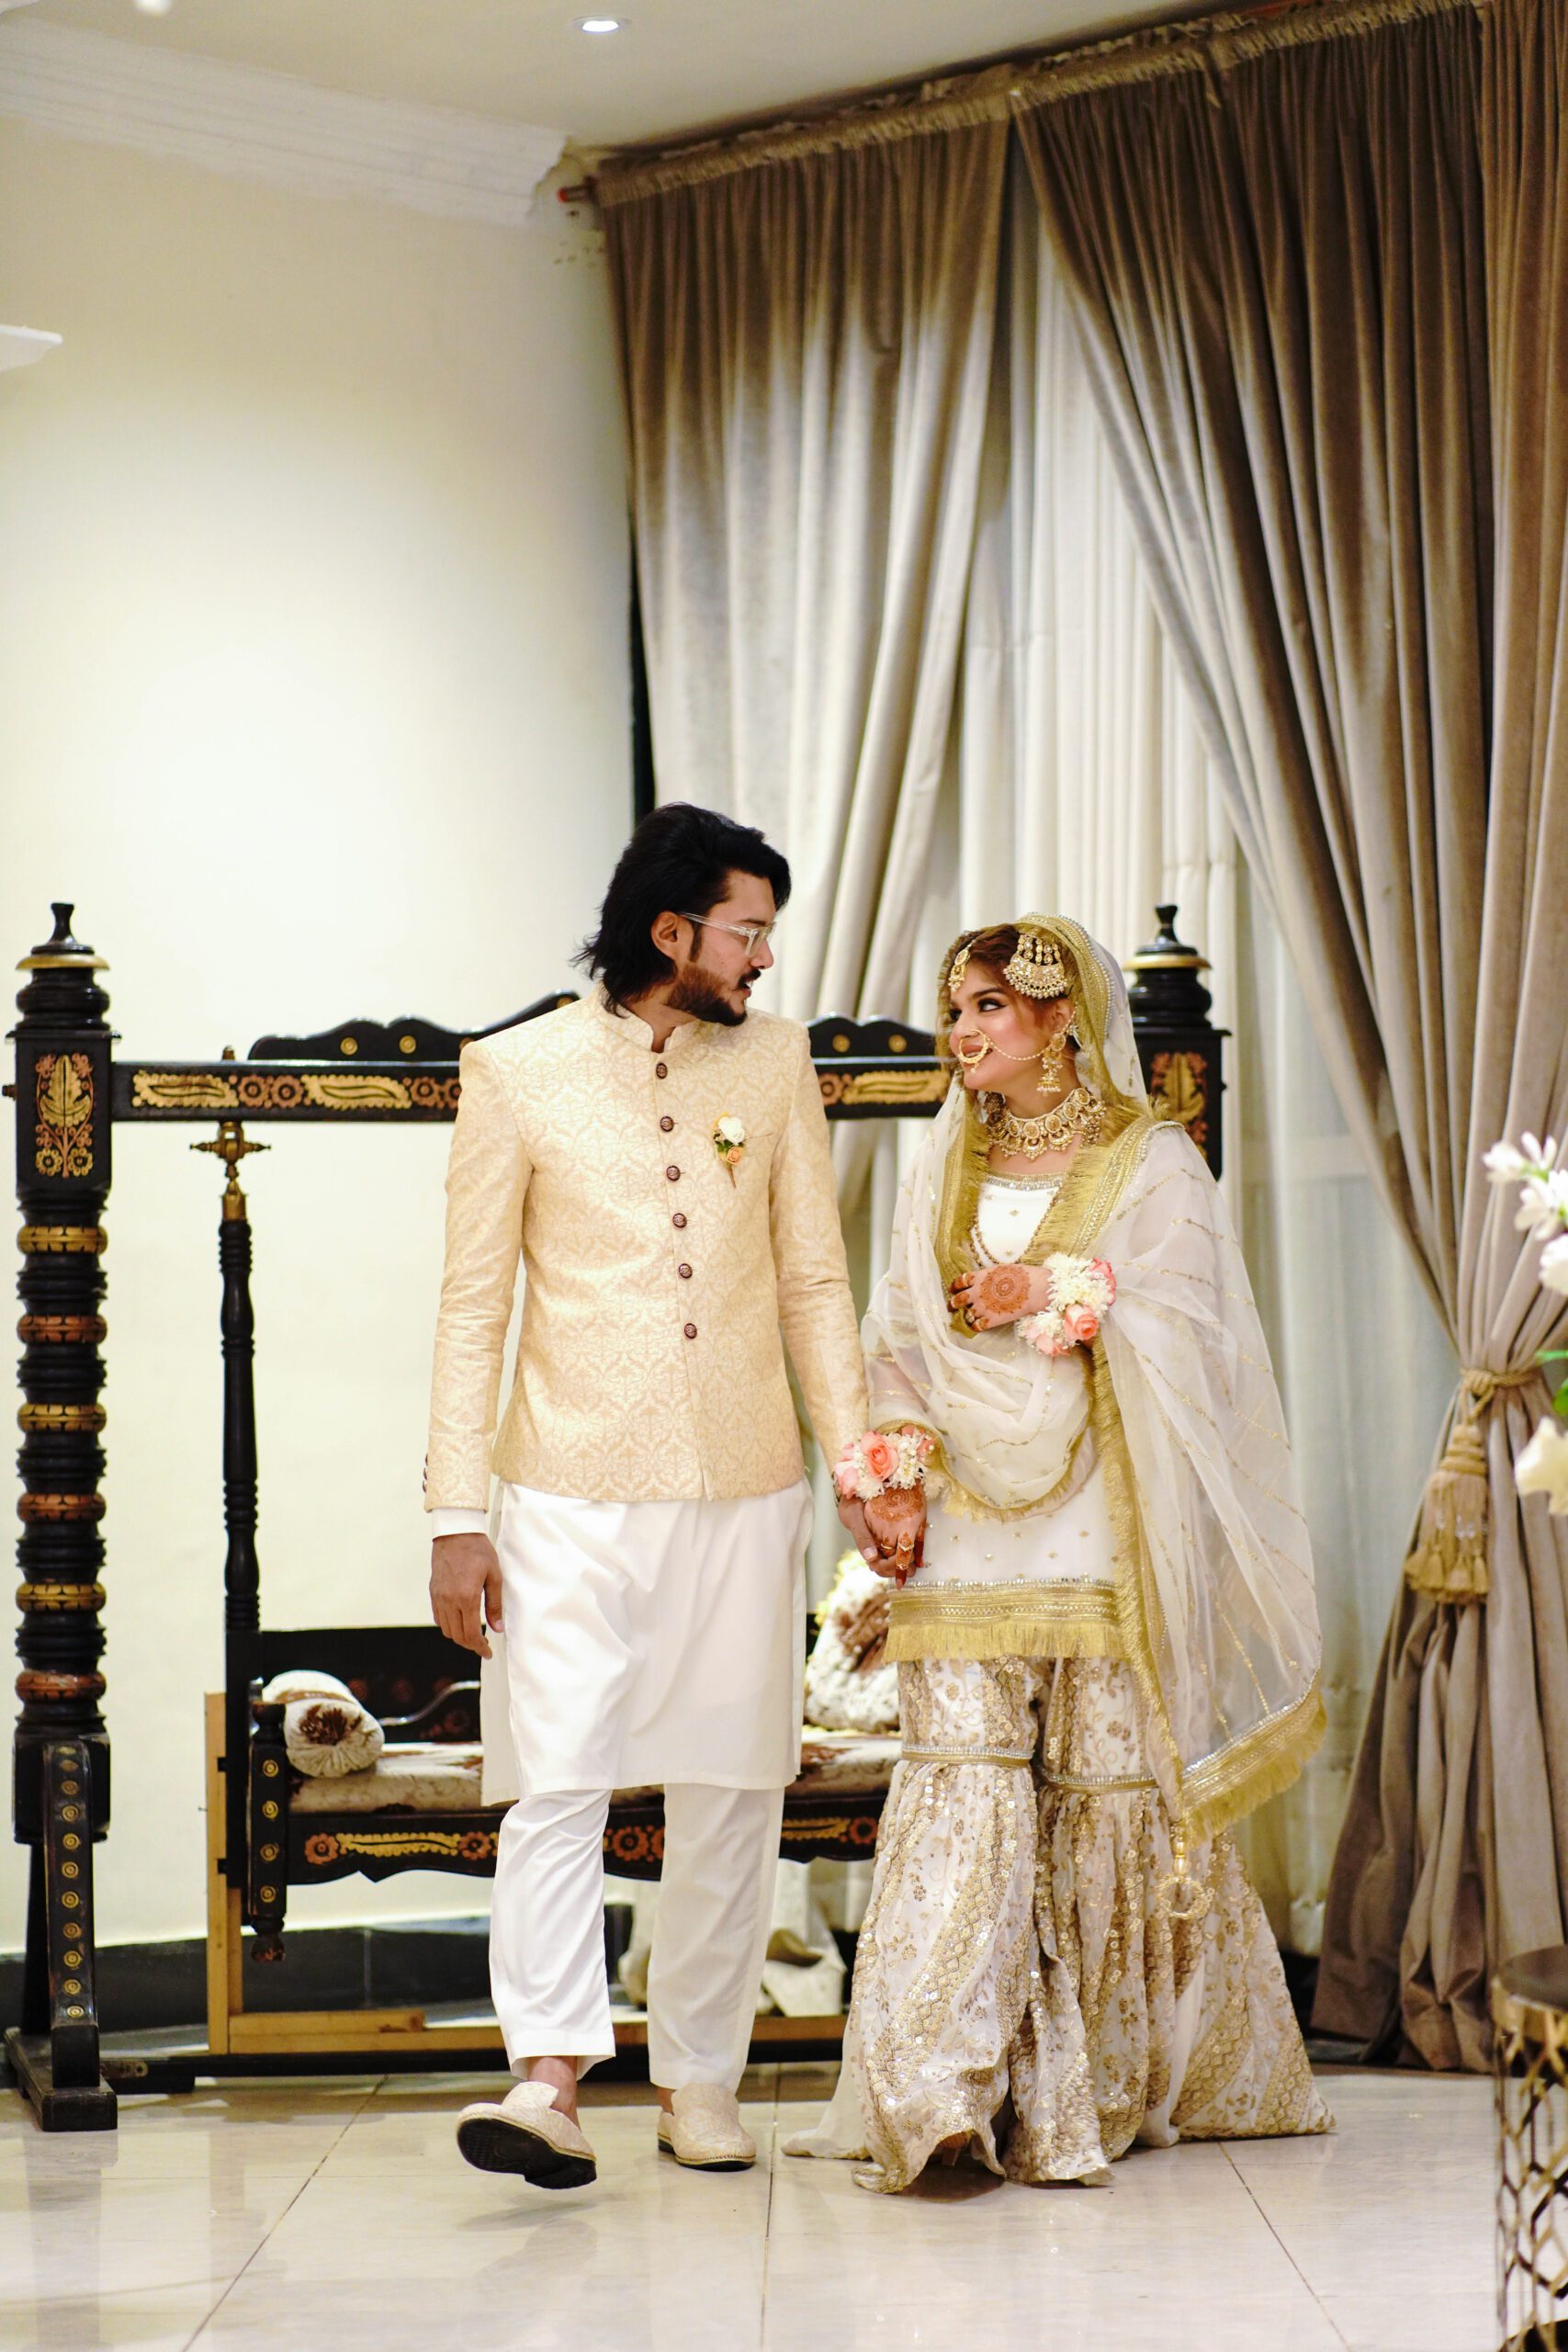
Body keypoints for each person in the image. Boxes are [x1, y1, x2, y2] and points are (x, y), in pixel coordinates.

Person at [789, 914, 1328, 2191]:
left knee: (1103, 1788)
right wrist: (894, 1465)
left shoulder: (1151, 1159)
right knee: (960, 1781)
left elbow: (1200, 1336)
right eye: (954, 1010)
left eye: (986, 1007)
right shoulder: (942, 1158)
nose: (960, 1033)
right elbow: (895, 1334)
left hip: (1105, 1517)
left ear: (1060, 1019)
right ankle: (941, 2095)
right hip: (961, 1515)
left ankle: (1094, 2085)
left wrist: (1065, 1294)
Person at [423, 804, 919, 2190]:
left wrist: (859, 1467)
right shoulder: (516, 1071)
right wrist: (456, 1516)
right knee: (555, 1780)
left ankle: (700, 2078)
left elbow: (814, 1279)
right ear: (670, 930)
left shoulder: (775, 1061)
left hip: (747, 1483)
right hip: (564, 1488)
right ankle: (547, 2080)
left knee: (733, 1786)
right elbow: (472, 1308)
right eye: (748, 931)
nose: (764, 956)